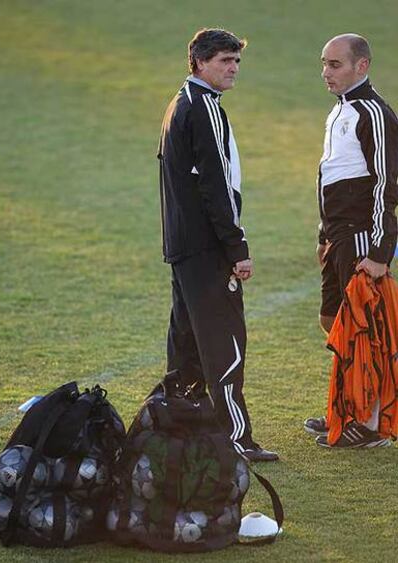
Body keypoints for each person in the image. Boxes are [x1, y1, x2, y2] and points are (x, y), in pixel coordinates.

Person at [157, 28, 278, 461]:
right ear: (200, 63)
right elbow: (217, 187)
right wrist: (237, 247)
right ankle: (234, 440)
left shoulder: (179, 104)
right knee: (224, 344)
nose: (234, 69)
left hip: (184, 248)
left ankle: (182, 431)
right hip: (207, 251)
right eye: (226, 61)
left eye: (237, 61)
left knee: (187, 346)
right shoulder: (204, 108)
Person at [304, 33, 398, 447]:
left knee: (363, 328)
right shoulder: (340, 110)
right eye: (324, 63)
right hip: (340, 237)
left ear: (362, 66)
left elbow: (385, 186)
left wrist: (379, 252)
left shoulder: (373, 113)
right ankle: (346, 407)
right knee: (334, 321)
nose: (326, 72)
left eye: (335, 64)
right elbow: (334, 175)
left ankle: (368, 422)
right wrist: (325, 234)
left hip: (362, 237)